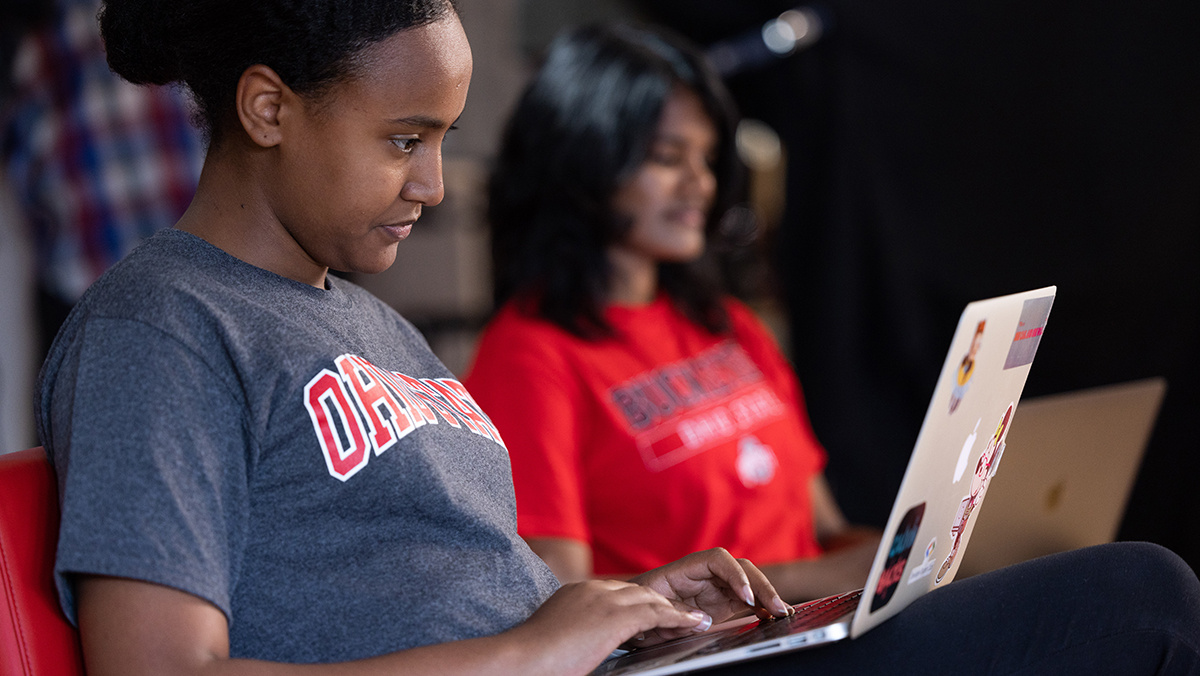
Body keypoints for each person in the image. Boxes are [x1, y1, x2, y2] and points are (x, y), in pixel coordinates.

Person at [34, 3, 1200, 676]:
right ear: (267, 108)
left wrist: (639, 603)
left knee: (1115, 595)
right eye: (404, 139)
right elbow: (156, 673)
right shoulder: (162, 325)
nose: (435, 184)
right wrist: (532, 650)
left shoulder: (374, 325)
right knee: (1135, 601)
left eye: (442, 138)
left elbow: (477, 577)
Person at [465, 24, 879, 602]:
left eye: (707, 159)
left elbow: (827, 532)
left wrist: (902, 553)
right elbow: (560, 601)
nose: (701, 184)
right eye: (667, 158)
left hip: (823, 630)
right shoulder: (531, 354)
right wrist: (801, 585)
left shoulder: (727, 323)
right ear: (584, 161)